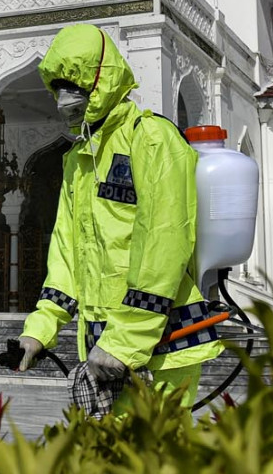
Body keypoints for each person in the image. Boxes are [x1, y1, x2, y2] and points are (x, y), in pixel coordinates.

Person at [16, 24, 222, 405]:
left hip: (162, 346)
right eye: (58, 87)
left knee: (154, 460)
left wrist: (126, 341)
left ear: (102, 80)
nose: (65, 99)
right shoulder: (79, 160)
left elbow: (165, 240)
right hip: (100, 350)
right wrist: (39, 330)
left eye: (75, 85)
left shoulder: (151, 137)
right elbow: (66, 255)